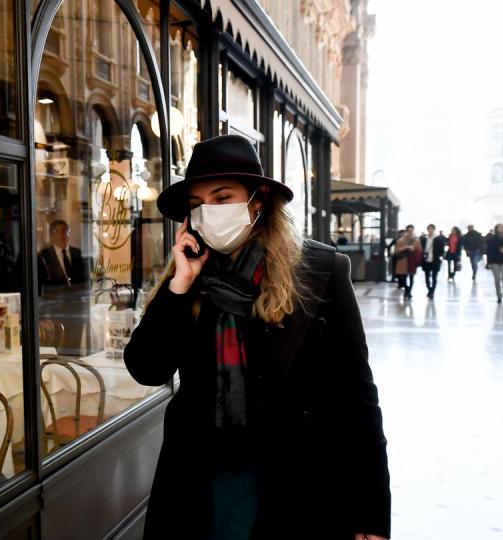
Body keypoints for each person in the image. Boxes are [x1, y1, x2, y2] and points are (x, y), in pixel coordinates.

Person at [124, 135, 390, 540]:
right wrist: (179, 287)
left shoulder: (320, 270)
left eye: (222, 196)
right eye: (197, 205)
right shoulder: (190, 275)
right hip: (198, 481)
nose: (208, 212)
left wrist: (370, 511)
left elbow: (356, 395)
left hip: (294, 482)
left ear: (258, 199)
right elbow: (146, 367)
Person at [37, 219, 88, 287]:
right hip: (53, 295)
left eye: (64, 230)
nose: (61, 234)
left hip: (78, 294)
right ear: (51, 236)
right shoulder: (44, 255)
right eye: (57, 231)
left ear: (69, 234)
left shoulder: (78, 253)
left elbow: (85, 277)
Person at [394, 225, 421, 300]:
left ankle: (408, 292)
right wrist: (405, 247)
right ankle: (407, 290)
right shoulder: (401, 240)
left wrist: (413, 249)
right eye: (408, 230)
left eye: (411, 230)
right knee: (403, 277)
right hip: (403, 261)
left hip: (412, 261)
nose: (410, 232)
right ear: (406, 231)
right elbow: (396, 251)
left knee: (411, 278)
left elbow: (419, 250)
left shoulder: (416, 240)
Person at [419, 224, 446, 299]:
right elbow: (421, 248)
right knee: (427, 276)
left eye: (432, 229)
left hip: (435, 260)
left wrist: (441, 255)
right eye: (429, 229)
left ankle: (432, 291)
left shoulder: (438, 239)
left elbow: (442, 249)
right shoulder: (424, 239)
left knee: (434, 276)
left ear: (434, 230)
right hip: (426, 259)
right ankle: (429, 289)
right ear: (427, 230)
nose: (430, 230)